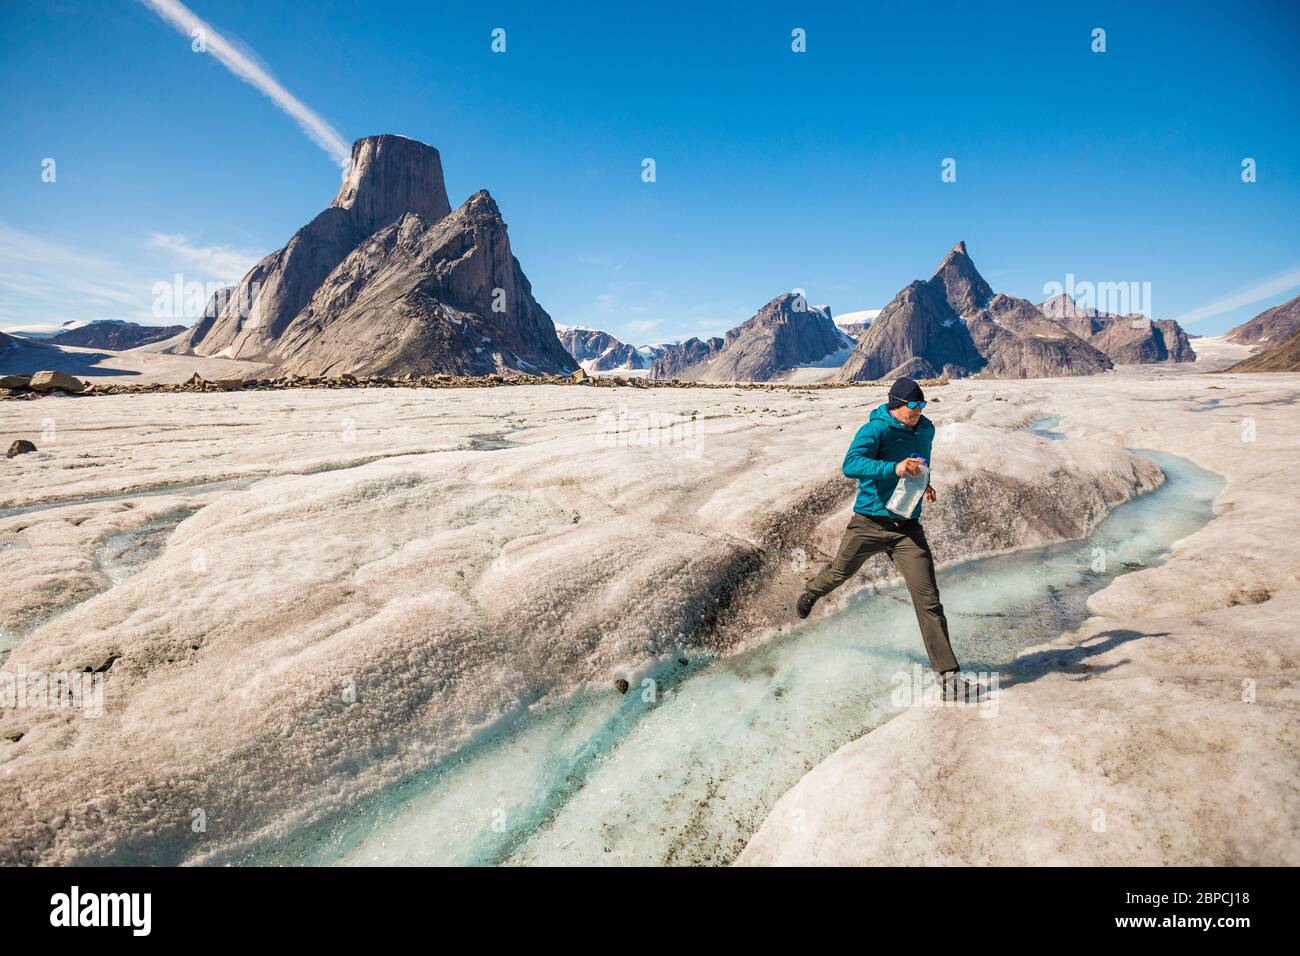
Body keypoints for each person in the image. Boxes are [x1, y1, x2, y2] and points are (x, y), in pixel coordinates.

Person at [796, 376, 974, 700]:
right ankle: (812, 592)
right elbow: (850, 465)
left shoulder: (926, 430)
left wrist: (924, 483)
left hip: (906, 529)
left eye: (922, 405)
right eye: (913, 405)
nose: (919, 411)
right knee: (839, 572)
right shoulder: (876, 430)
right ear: (895, 405)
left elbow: (922, 463)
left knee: (929, 600)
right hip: (868, 523)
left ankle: (949, 676)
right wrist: (894, 469)